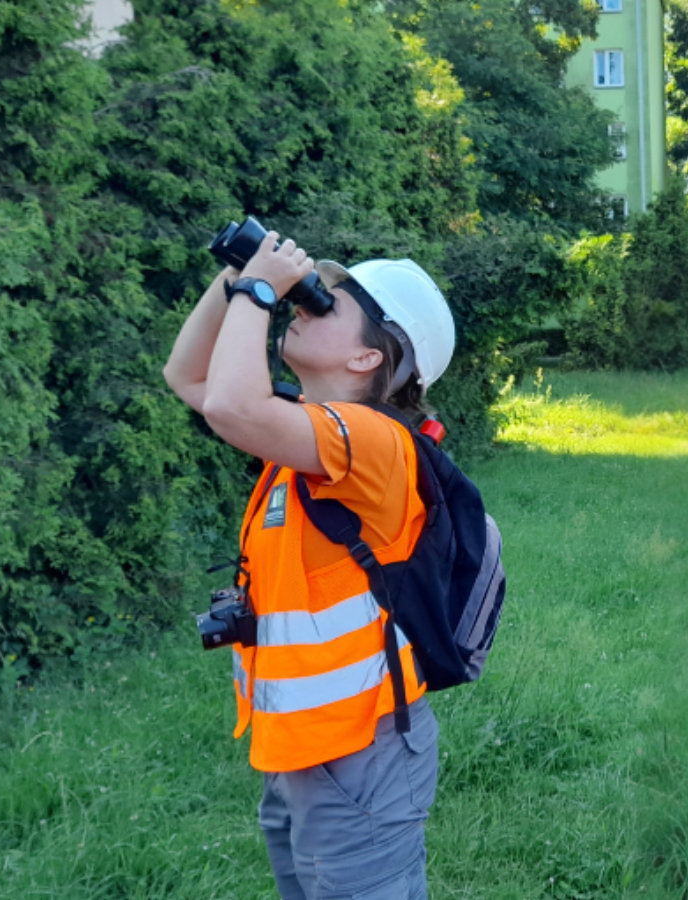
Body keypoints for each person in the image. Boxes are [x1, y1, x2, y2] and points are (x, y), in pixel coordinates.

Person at [162, 231, 455, 899]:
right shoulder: (309, 431)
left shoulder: (375, 440)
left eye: (327, 304)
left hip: (362, 754)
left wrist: (260, 290)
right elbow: (193, 381)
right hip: (303, 748)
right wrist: (238, 276)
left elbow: (234, 405)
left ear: (367, 355)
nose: (304, 303)